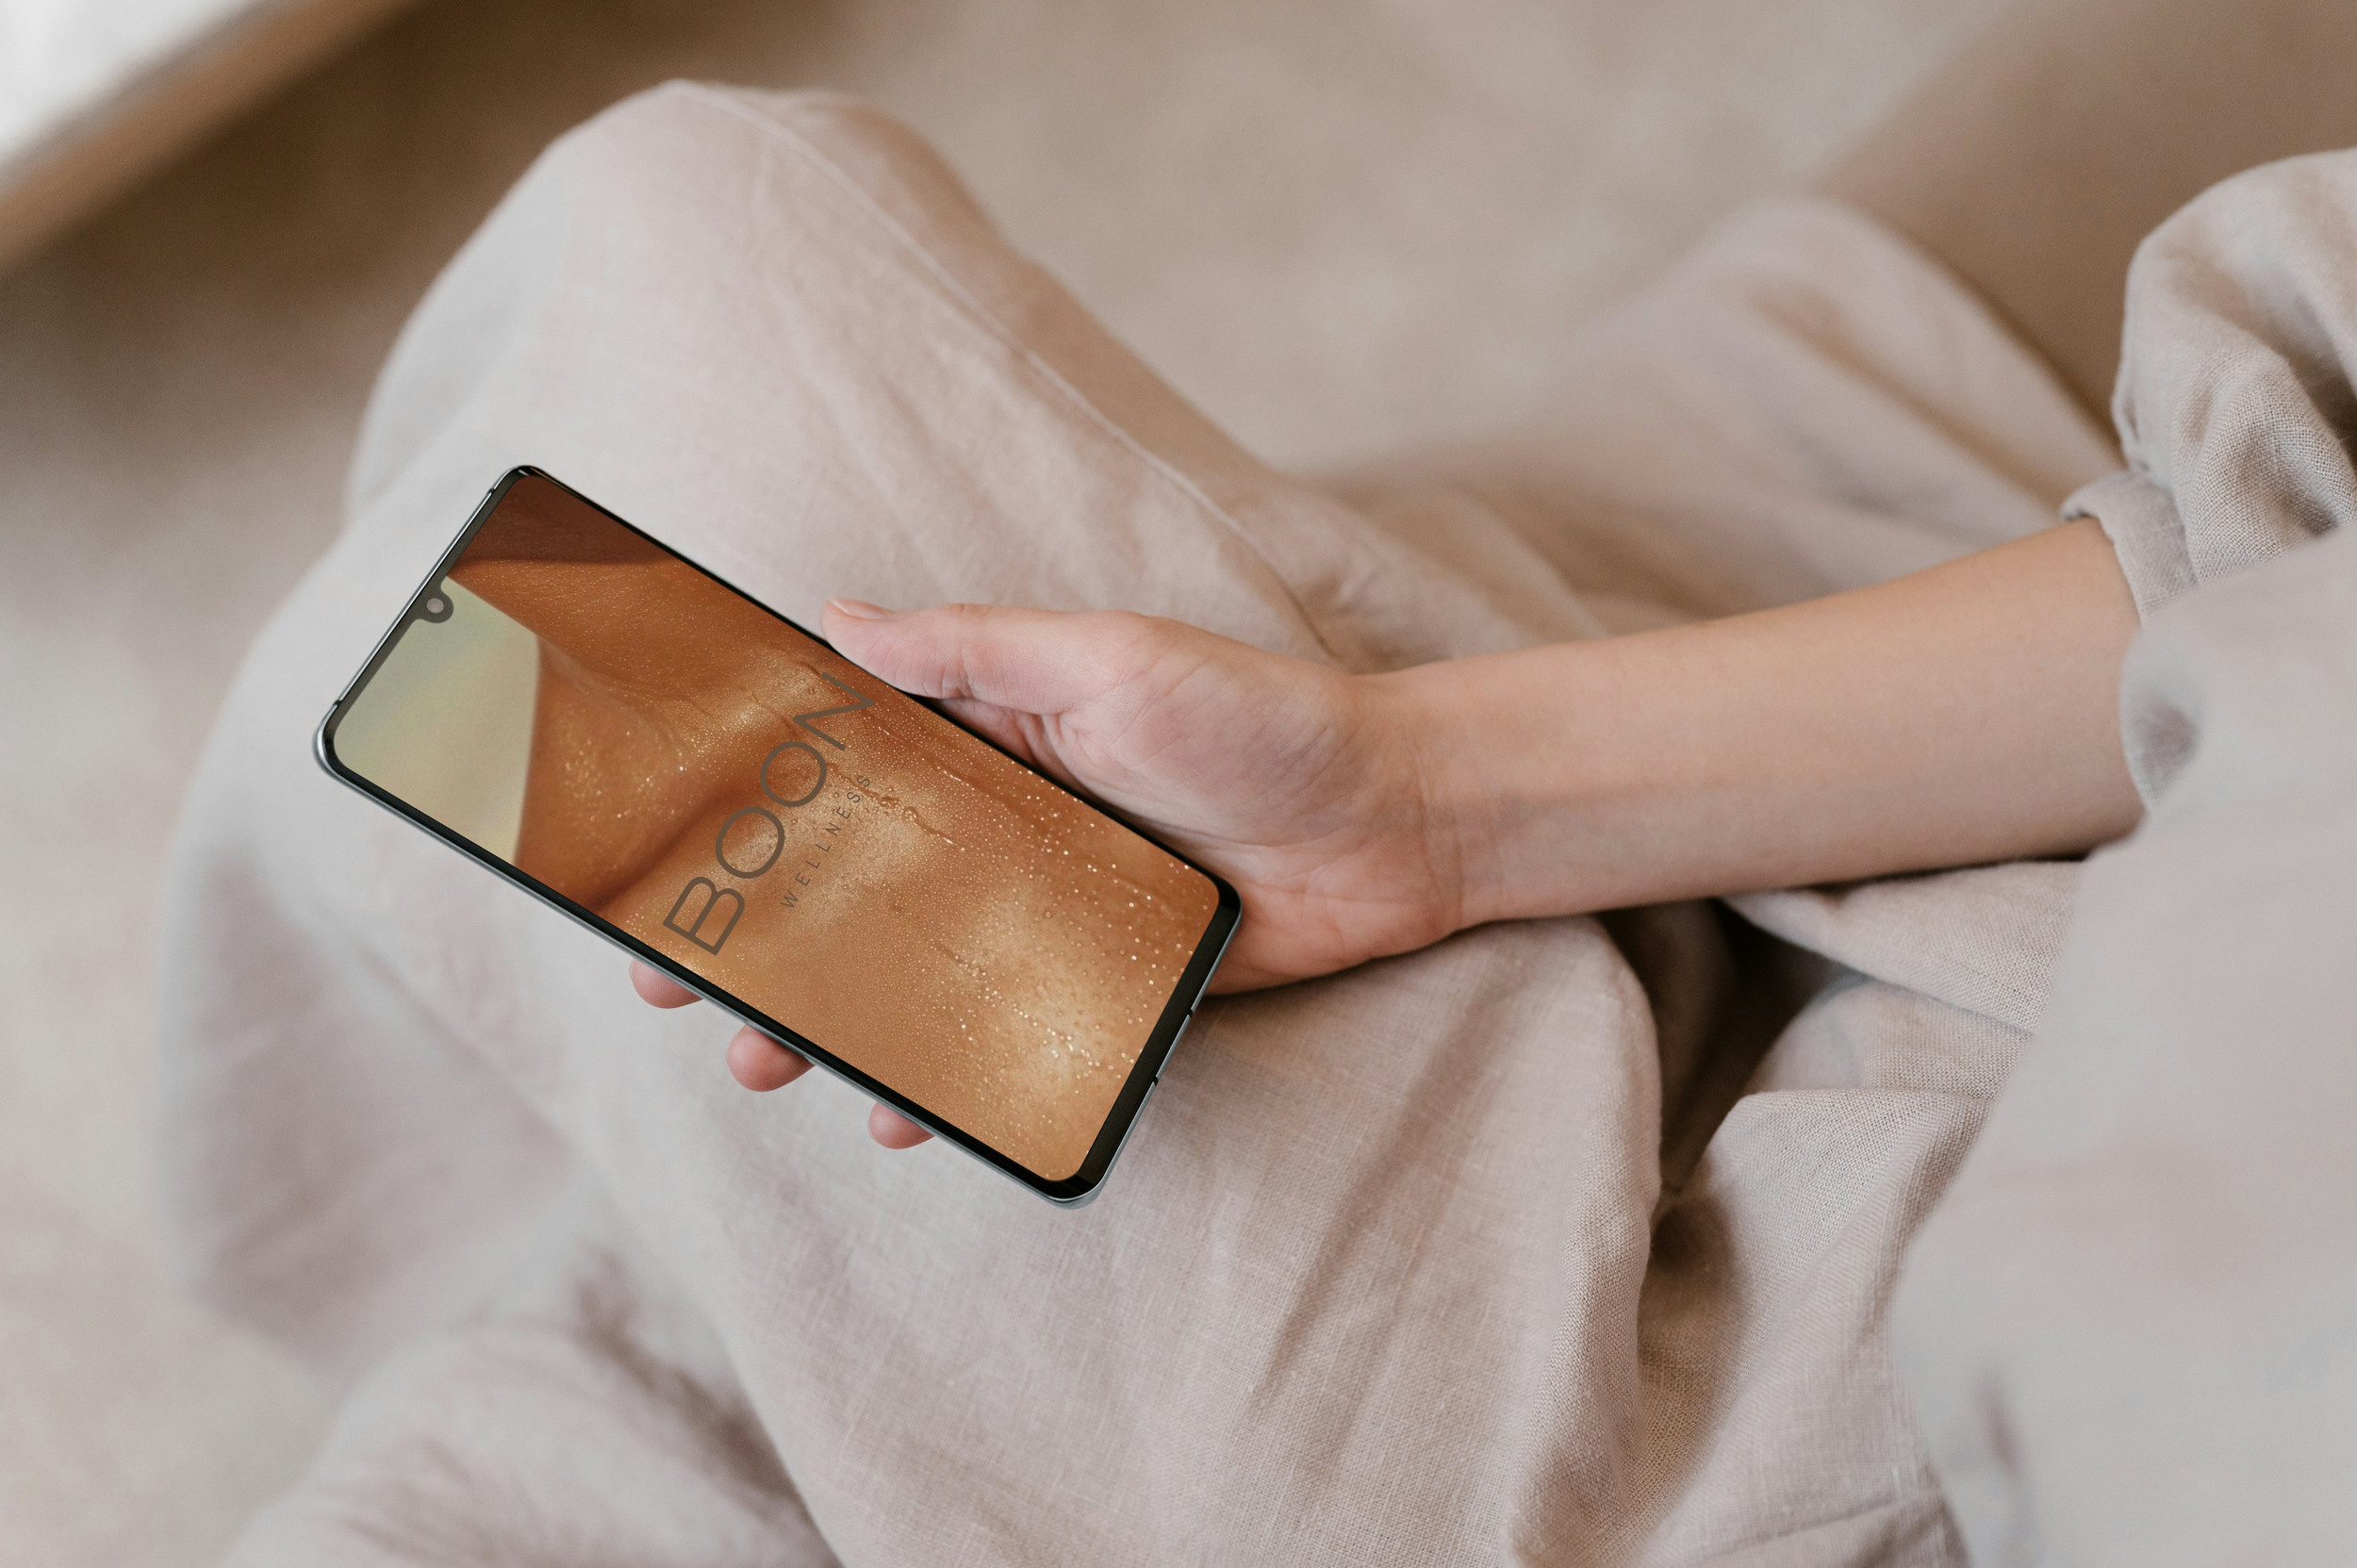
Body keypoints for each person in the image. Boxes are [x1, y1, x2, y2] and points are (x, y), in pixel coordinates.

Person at [167, 1, 2357, 1562]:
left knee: (666, 328)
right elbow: (2265, 532)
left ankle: (665, 1289)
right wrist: (1433, 802)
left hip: (1708, 1416)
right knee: (686, 340)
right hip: (1890, 894)